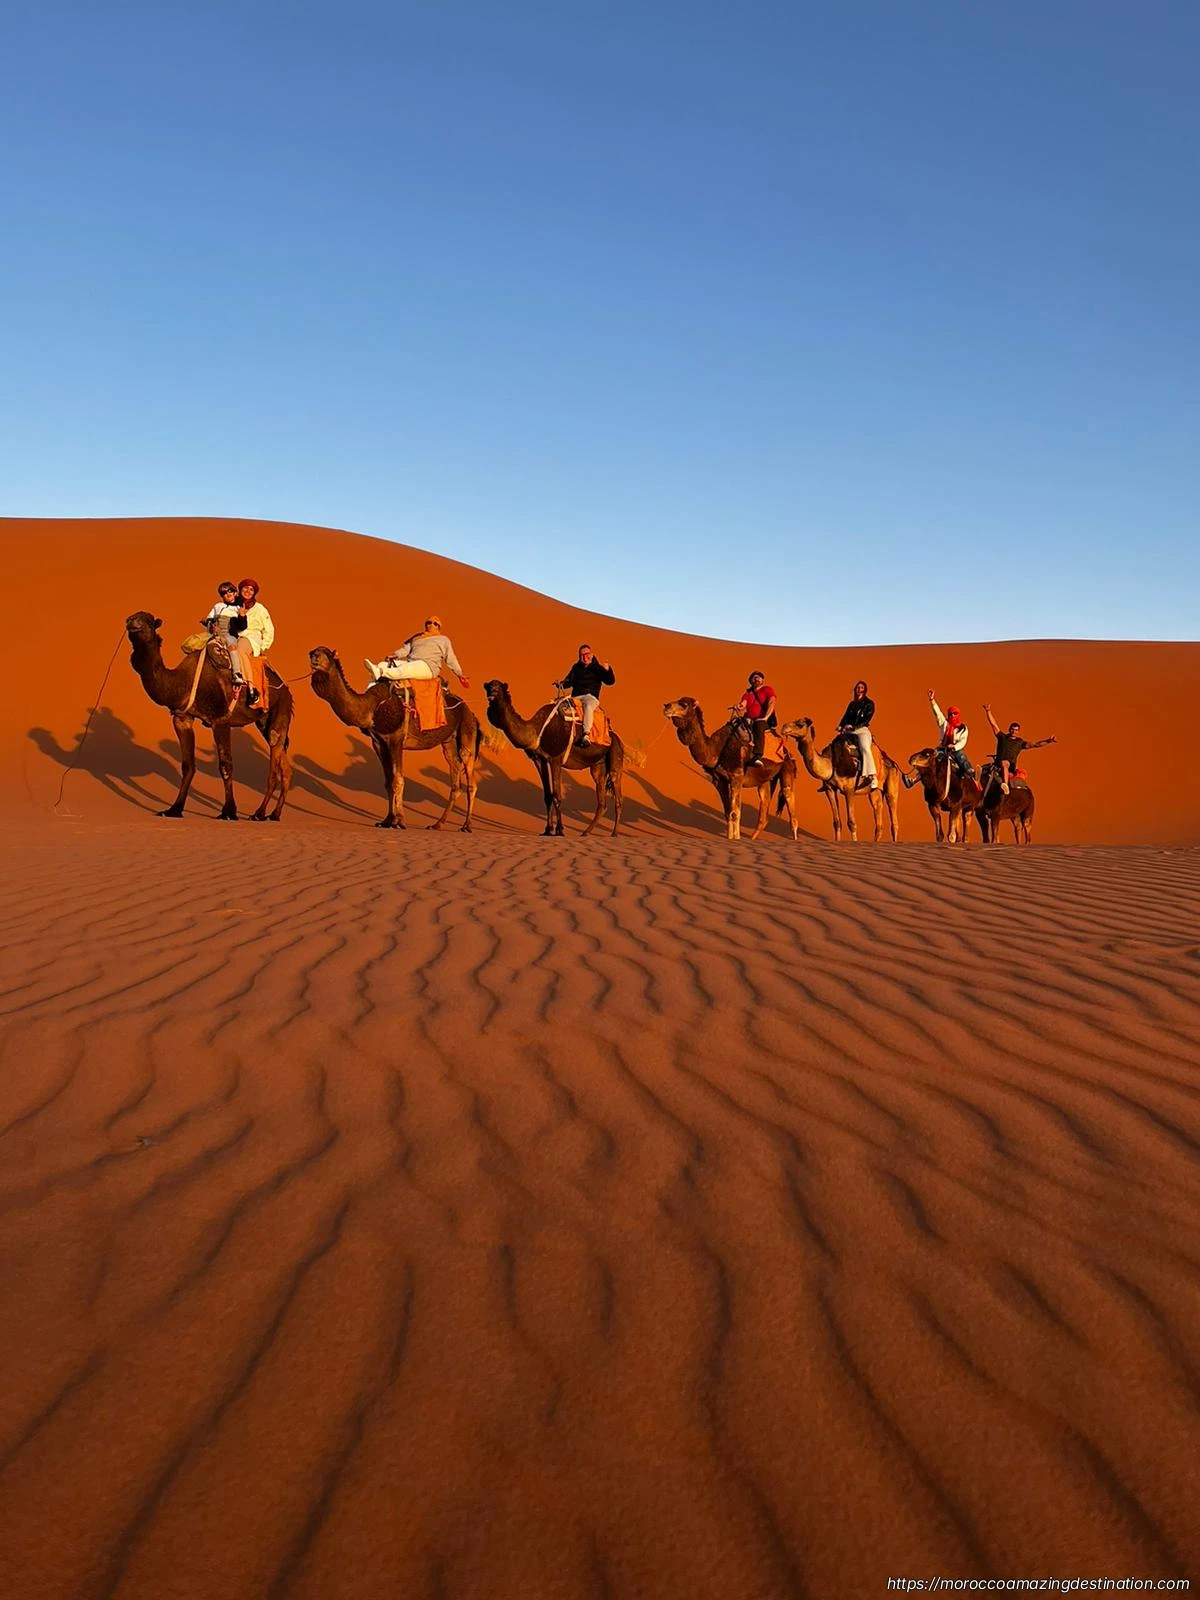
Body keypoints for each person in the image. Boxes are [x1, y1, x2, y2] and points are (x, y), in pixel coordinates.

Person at [365, 615, 471, 692]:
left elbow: (450, 658)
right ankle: (369, 691)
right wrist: (395, 655)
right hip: (410, 662)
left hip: (428, 666)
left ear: (439, 627)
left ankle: (381, 672)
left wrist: (459, 674)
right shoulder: (416, 638)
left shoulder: (443, 639)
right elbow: (406, 650)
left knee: (404, 669)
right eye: (428, 622)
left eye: (435, 623)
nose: (431, 625)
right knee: (382, 664)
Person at [983, 704, 1057, 793]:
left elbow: (1035, 744)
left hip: (1010, 765)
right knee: (984, 770)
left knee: (1004, 763)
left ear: (1018, 731)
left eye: (1016, 730)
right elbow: (993, 724)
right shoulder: (1002, 737)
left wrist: (1048, 741)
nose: (1014, 731)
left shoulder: (1020, 742)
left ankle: (1005, 786)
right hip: (997, 763)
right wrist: (988, 711)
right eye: (1012, 729)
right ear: (1009, 729)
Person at [907, 689, 975, 785]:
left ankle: (972, 773)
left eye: (954, 714)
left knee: (961, 757)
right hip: (942, 749)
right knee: (929, 760)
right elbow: (937, 713)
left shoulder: (963, 728)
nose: (952, 716)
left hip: (955, 749)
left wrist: (954, 746)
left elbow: (962, 741)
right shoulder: (944, 723)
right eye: (950, 714)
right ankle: (913, 780)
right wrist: (932, 700)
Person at [557, 644, 615, 745]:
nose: (584, 657)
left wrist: (608, 670)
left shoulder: (597, 668)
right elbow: (569, 681)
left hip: (590, 697)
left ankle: (586, 734)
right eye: (581, 655)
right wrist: (560, 684)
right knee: (558, 705)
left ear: (591, 655)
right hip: (576, 697)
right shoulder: (576, 668)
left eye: (586, 654)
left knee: (587, 706)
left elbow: (610, 681)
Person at [233, 579, 275, 707]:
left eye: (251, 589)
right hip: (233, 636)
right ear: (240, 590)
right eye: (245, 588)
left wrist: (263, 646)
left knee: (240, 650)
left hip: (250, 638)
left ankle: (252, 689)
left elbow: (269, 629)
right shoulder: (233, 606)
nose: (248, 591)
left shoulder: (260, 609)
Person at [836, 679, 878, 791]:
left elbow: (866, 719)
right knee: (835, 745)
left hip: (862, 730)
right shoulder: (852, 704)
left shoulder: (869, 704)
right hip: (849, 731)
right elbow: (845, 717)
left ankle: (873, 777)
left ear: (865, 690)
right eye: (858, 688)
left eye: (861, 688)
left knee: (865, 748)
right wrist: (841, 726)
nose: (859, 690)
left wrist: (854, 727)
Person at [202, 581, 246, 682]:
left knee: (232, 647)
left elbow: (242, 626)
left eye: (230, 591)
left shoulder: (238, 608)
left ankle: (236, 673)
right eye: (224, 593)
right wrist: (212, 625)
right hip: (217, 633)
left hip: (230, 633)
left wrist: (242, 616)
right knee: (210, 646)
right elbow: (210, 618)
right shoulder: (218, 606)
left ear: (235, 592)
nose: (228, 594)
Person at [739, 670, 777, 766]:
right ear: (751, 681)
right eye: (754, 677)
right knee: (734, 725)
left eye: (759, 677)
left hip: (763, 721)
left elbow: (772, 702)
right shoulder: (747, 694)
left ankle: (758, 755)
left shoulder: (767, 689)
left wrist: (765, 718)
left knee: (758, 724)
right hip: (749, 720)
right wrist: (739, 706)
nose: (756, 678)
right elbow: (743, 704)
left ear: (762, 680)